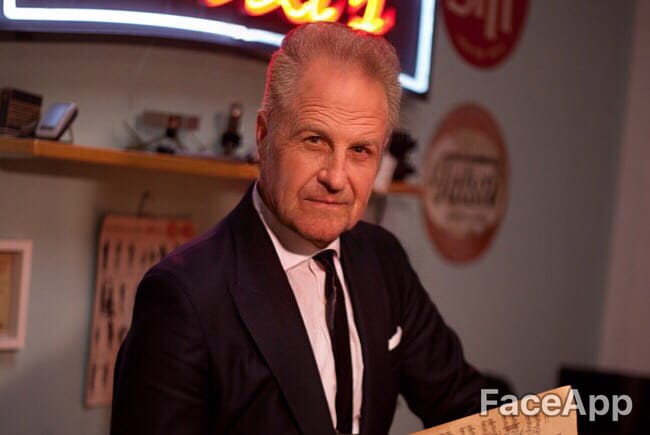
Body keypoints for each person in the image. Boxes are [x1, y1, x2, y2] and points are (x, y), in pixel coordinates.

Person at [111, 22, 484, 435]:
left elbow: (465, 400)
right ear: (263, 136)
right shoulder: (183, 296)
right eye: (314, 141)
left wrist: (544, 418)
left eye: (360, 150)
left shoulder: (383, 258)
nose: (336, 178)